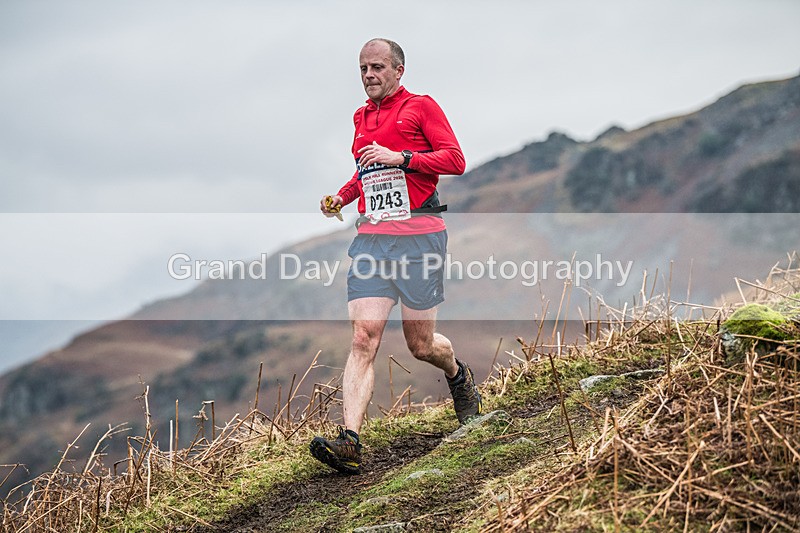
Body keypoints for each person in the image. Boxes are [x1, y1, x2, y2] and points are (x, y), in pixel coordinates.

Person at [310, 38, 481, 474]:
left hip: (420, 235)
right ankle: (350, 441)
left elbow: (455, 160)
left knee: (421, 345)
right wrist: (343, 198)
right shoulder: (360, 117)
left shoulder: (422, 107)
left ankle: (459, 375)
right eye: (363, 68)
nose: (369, 76)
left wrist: (402, 157)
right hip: (372, 239)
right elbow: (367, 171)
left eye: (378, 67)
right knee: (363, 337)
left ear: (398, 70)